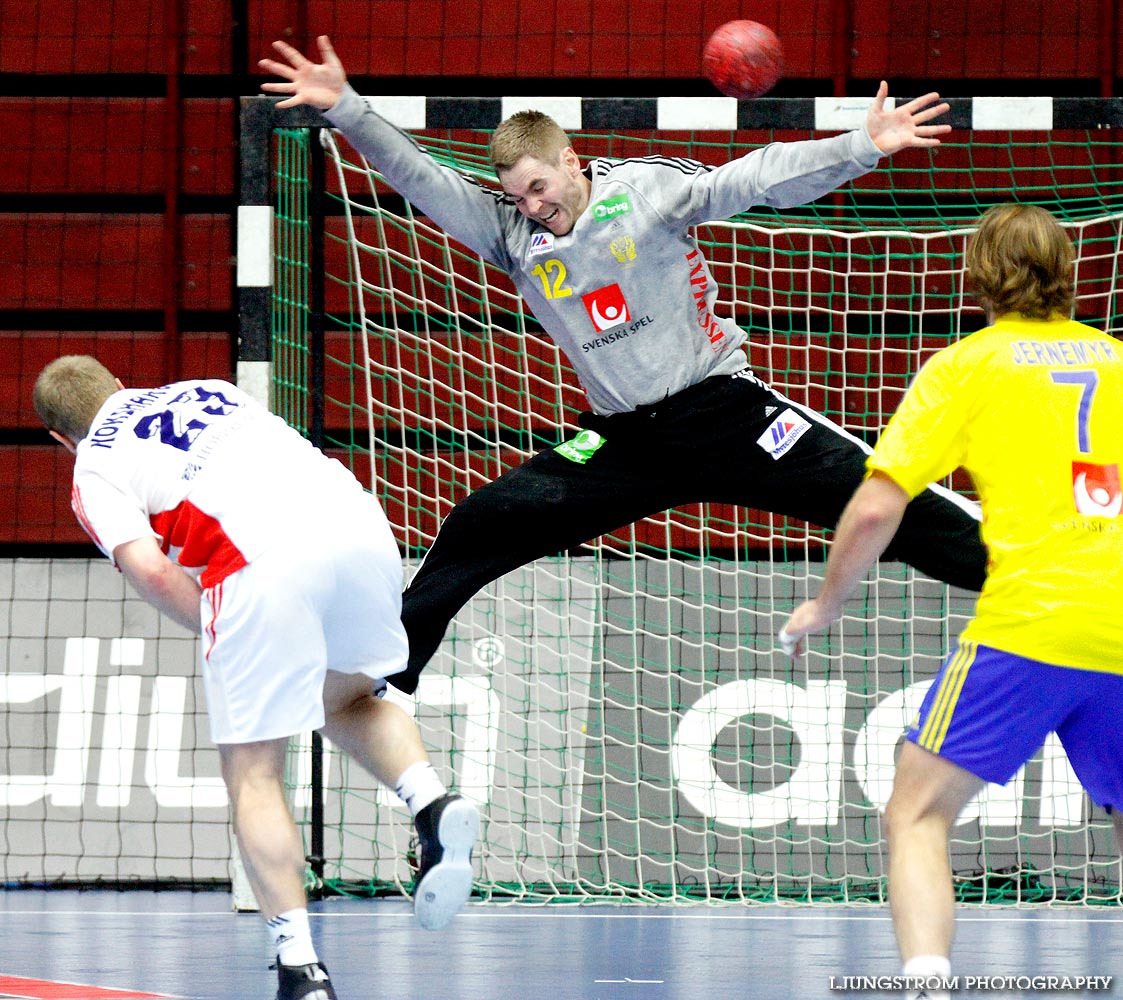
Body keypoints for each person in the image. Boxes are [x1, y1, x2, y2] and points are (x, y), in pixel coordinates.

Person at [260, 36, 987, 695]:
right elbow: (418, 175)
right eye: (517, 196)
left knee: (884, 500)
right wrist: (349, 109)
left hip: (724, 414)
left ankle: (1033, 570)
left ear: (571, 161)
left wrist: (859, 144)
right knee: (483, 521)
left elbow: (754, 177)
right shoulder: (511, 236)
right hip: (621, 443)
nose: (533, 206)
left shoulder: (643, 192)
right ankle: (388, 674)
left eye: (540, 187)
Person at [33, 356, 480, 1000]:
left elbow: (151, 570)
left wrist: (220, 626)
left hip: (261, 563)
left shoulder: (92, 467)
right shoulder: (204, 389)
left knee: (253, 773)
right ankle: (433, 803)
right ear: (119, 385)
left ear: (60, 438)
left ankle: (301, 969)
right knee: (348, 697)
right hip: (361, 526)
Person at [779, 204, 1123, 999]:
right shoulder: (1115, 360)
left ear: (975, 278)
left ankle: (927, 987)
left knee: (914, 813)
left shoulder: (967, 367)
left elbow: (873, 507)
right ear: (1068, 274)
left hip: (1033, 623)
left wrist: (825, 604)